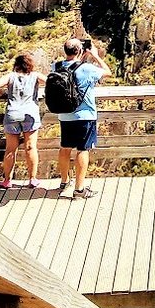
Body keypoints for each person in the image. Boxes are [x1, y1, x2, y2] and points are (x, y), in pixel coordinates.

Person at [56, 38, 108, 199]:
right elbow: (107, 72)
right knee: (82, 149)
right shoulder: (87, 68)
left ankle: (64, 182)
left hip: (64, 115)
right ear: (79, 51)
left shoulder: (56, 67)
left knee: (65, 148)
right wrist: (95, 55)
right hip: (85, 115)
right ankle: (79, 189)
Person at [0, 53, 43, 190]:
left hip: (12, 115)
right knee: (30, 147)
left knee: (10, 149)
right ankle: (32, 178)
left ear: (16, 65)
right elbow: (52, 81)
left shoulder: (11, 76)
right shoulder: (35, 76)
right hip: (29, 114)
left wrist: (2, 94)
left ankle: (7, 180)